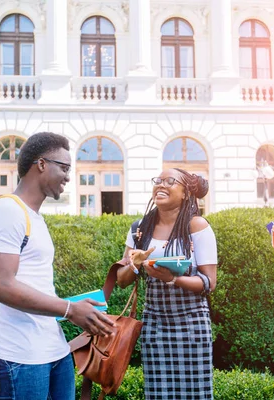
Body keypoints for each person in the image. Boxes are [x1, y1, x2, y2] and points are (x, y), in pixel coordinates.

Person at [0, 132, 114, 400]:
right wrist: (69, 310)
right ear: (41, 164)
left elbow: (34, 283)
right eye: (63, 168)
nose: (68, 177)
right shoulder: (7, 211)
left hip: (53, 350)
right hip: (19, 356)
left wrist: (80, 309)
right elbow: (2, 286)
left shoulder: (35, 217)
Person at [116, 168, 218, 399]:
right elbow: (121, 280)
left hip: (192, 322)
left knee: (197, 394)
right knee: (158, 394)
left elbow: (209, 282)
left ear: (185, 193)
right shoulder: (140, 228)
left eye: (170, 181)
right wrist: (136, 264)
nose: (161, 185)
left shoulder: (197, 226)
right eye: (158, 180)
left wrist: (173, 278)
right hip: (155, 323)